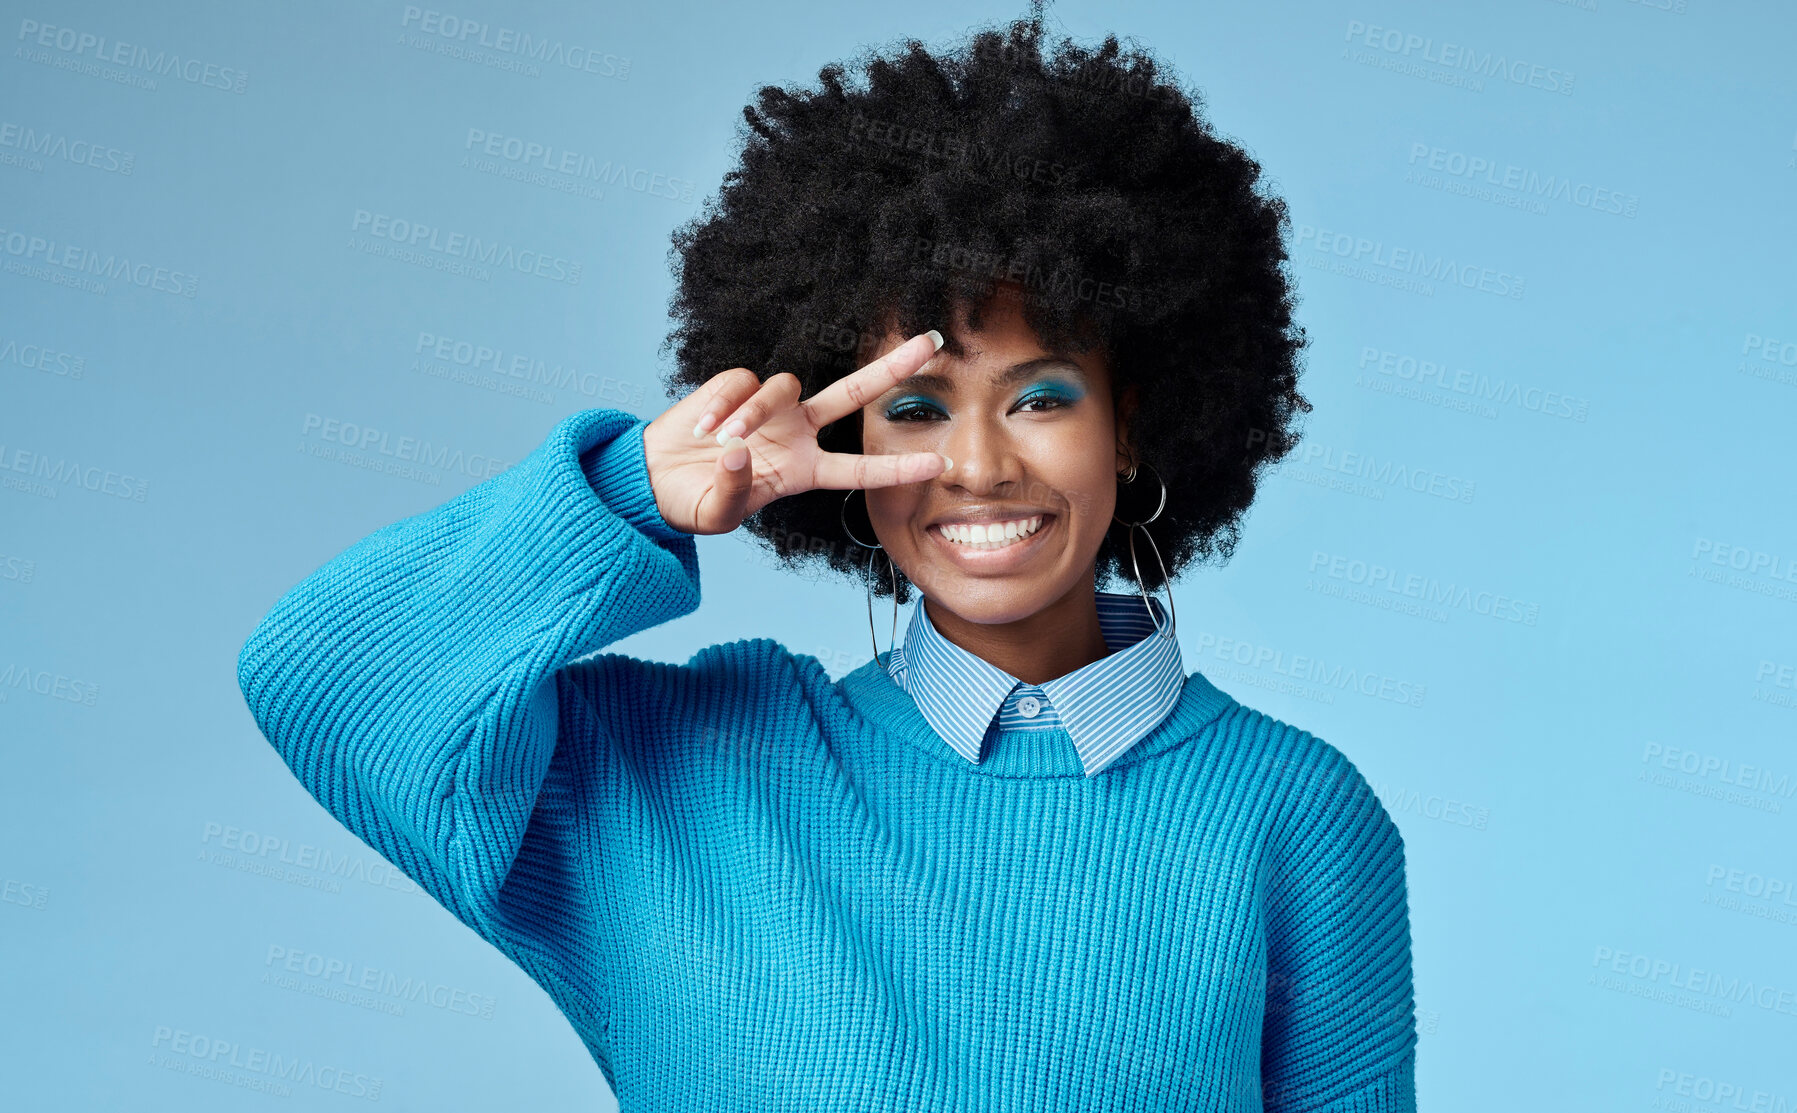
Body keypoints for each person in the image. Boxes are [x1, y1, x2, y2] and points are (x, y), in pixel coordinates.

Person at [237, 9, 1416, 1110]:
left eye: (1042, 397)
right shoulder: (678, 776)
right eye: (913, 409)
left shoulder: (1298, 815)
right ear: (847, 439)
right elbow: (321, 678)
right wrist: (630, 492)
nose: (977, 465)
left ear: (1136, 421)